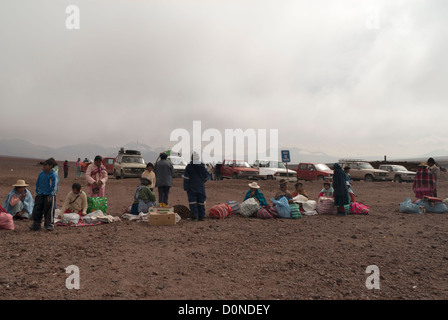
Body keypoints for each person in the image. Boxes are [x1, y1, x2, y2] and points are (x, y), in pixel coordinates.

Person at [29, 158, 59, 231]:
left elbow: (54, 186)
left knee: (48, 210)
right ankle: (36, 225)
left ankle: (49, 225)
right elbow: (38, 183)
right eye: (44, 165)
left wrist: (51, 195)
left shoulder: (53, 175)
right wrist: (38, 192)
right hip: (40, 194)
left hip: (49, 195)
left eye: (46, 165)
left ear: (50, 166)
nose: (44, 166)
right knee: (37, 209)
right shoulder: (41, 174)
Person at [183, 152, 208, 221]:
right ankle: (201, 216)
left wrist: (186, 187)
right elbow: (206, 177)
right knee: (201, 202)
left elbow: (186, 178)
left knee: (192, 202)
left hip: (192, 187)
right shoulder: (203, 166)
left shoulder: (189, 166)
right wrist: (201, 183)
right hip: (201, 187)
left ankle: (194, 217)